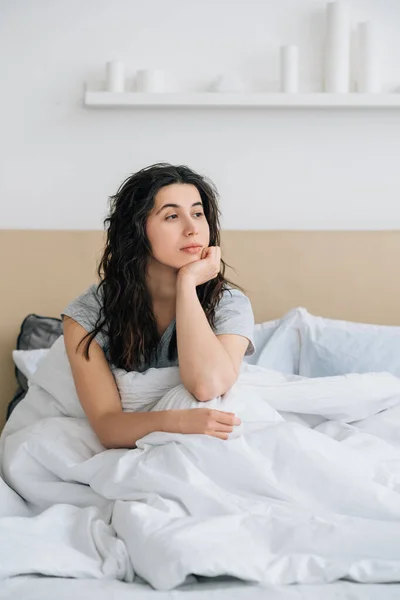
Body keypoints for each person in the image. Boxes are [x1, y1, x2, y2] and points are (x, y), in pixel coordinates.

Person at [62, 163, 255, 449]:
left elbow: (207, 386)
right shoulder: (88, 315)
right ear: (137, 229)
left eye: (198, 213)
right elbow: (107, 425)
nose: (192, 229)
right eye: (172, 216)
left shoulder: (228, 303)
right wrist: (176, 422)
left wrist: (187, 284)